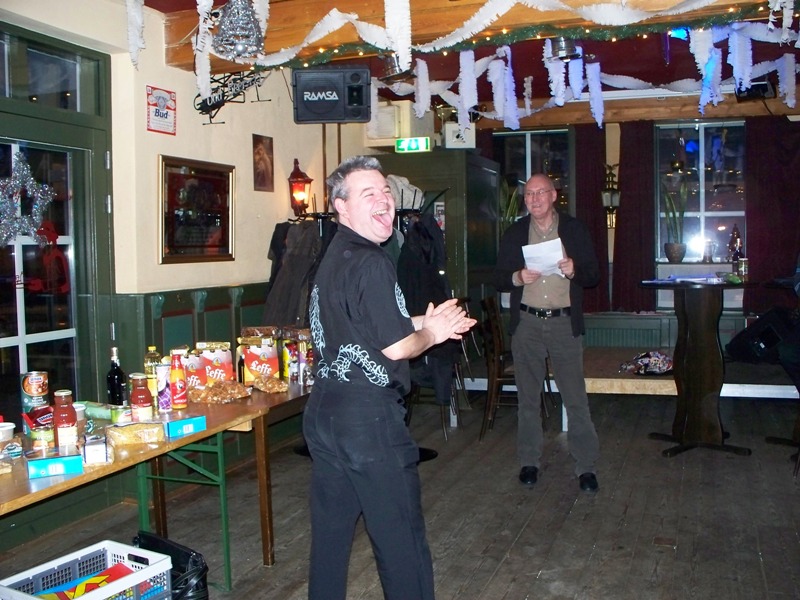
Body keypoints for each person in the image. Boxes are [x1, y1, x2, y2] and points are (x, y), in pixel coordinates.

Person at [303, 155, 476, 600]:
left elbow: (365, 325)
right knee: (402, 545)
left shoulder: (335, 254)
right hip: (368, 423)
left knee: (330, 543)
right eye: (369, 194)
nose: (384, 200)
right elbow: (397, 347)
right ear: (341, 206)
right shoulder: (371, 261)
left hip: (326, 415)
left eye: (385, 191)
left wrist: (424, 321)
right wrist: (432, 334)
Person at [492, 173, 601, 493]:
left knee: (575, 398)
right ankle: (529, 461)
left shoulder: (574, 230)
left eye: (540, 193)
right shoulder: (515, 233)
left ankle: (586, 466)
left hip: (564, 324)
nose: (534, 199)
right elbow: (498, 277)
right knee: (527, 398)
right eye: (529, 194)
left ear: (554, 196)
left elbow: (593, 275)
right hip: (527, 323)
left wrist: (574, 270)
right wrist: (517, 277)